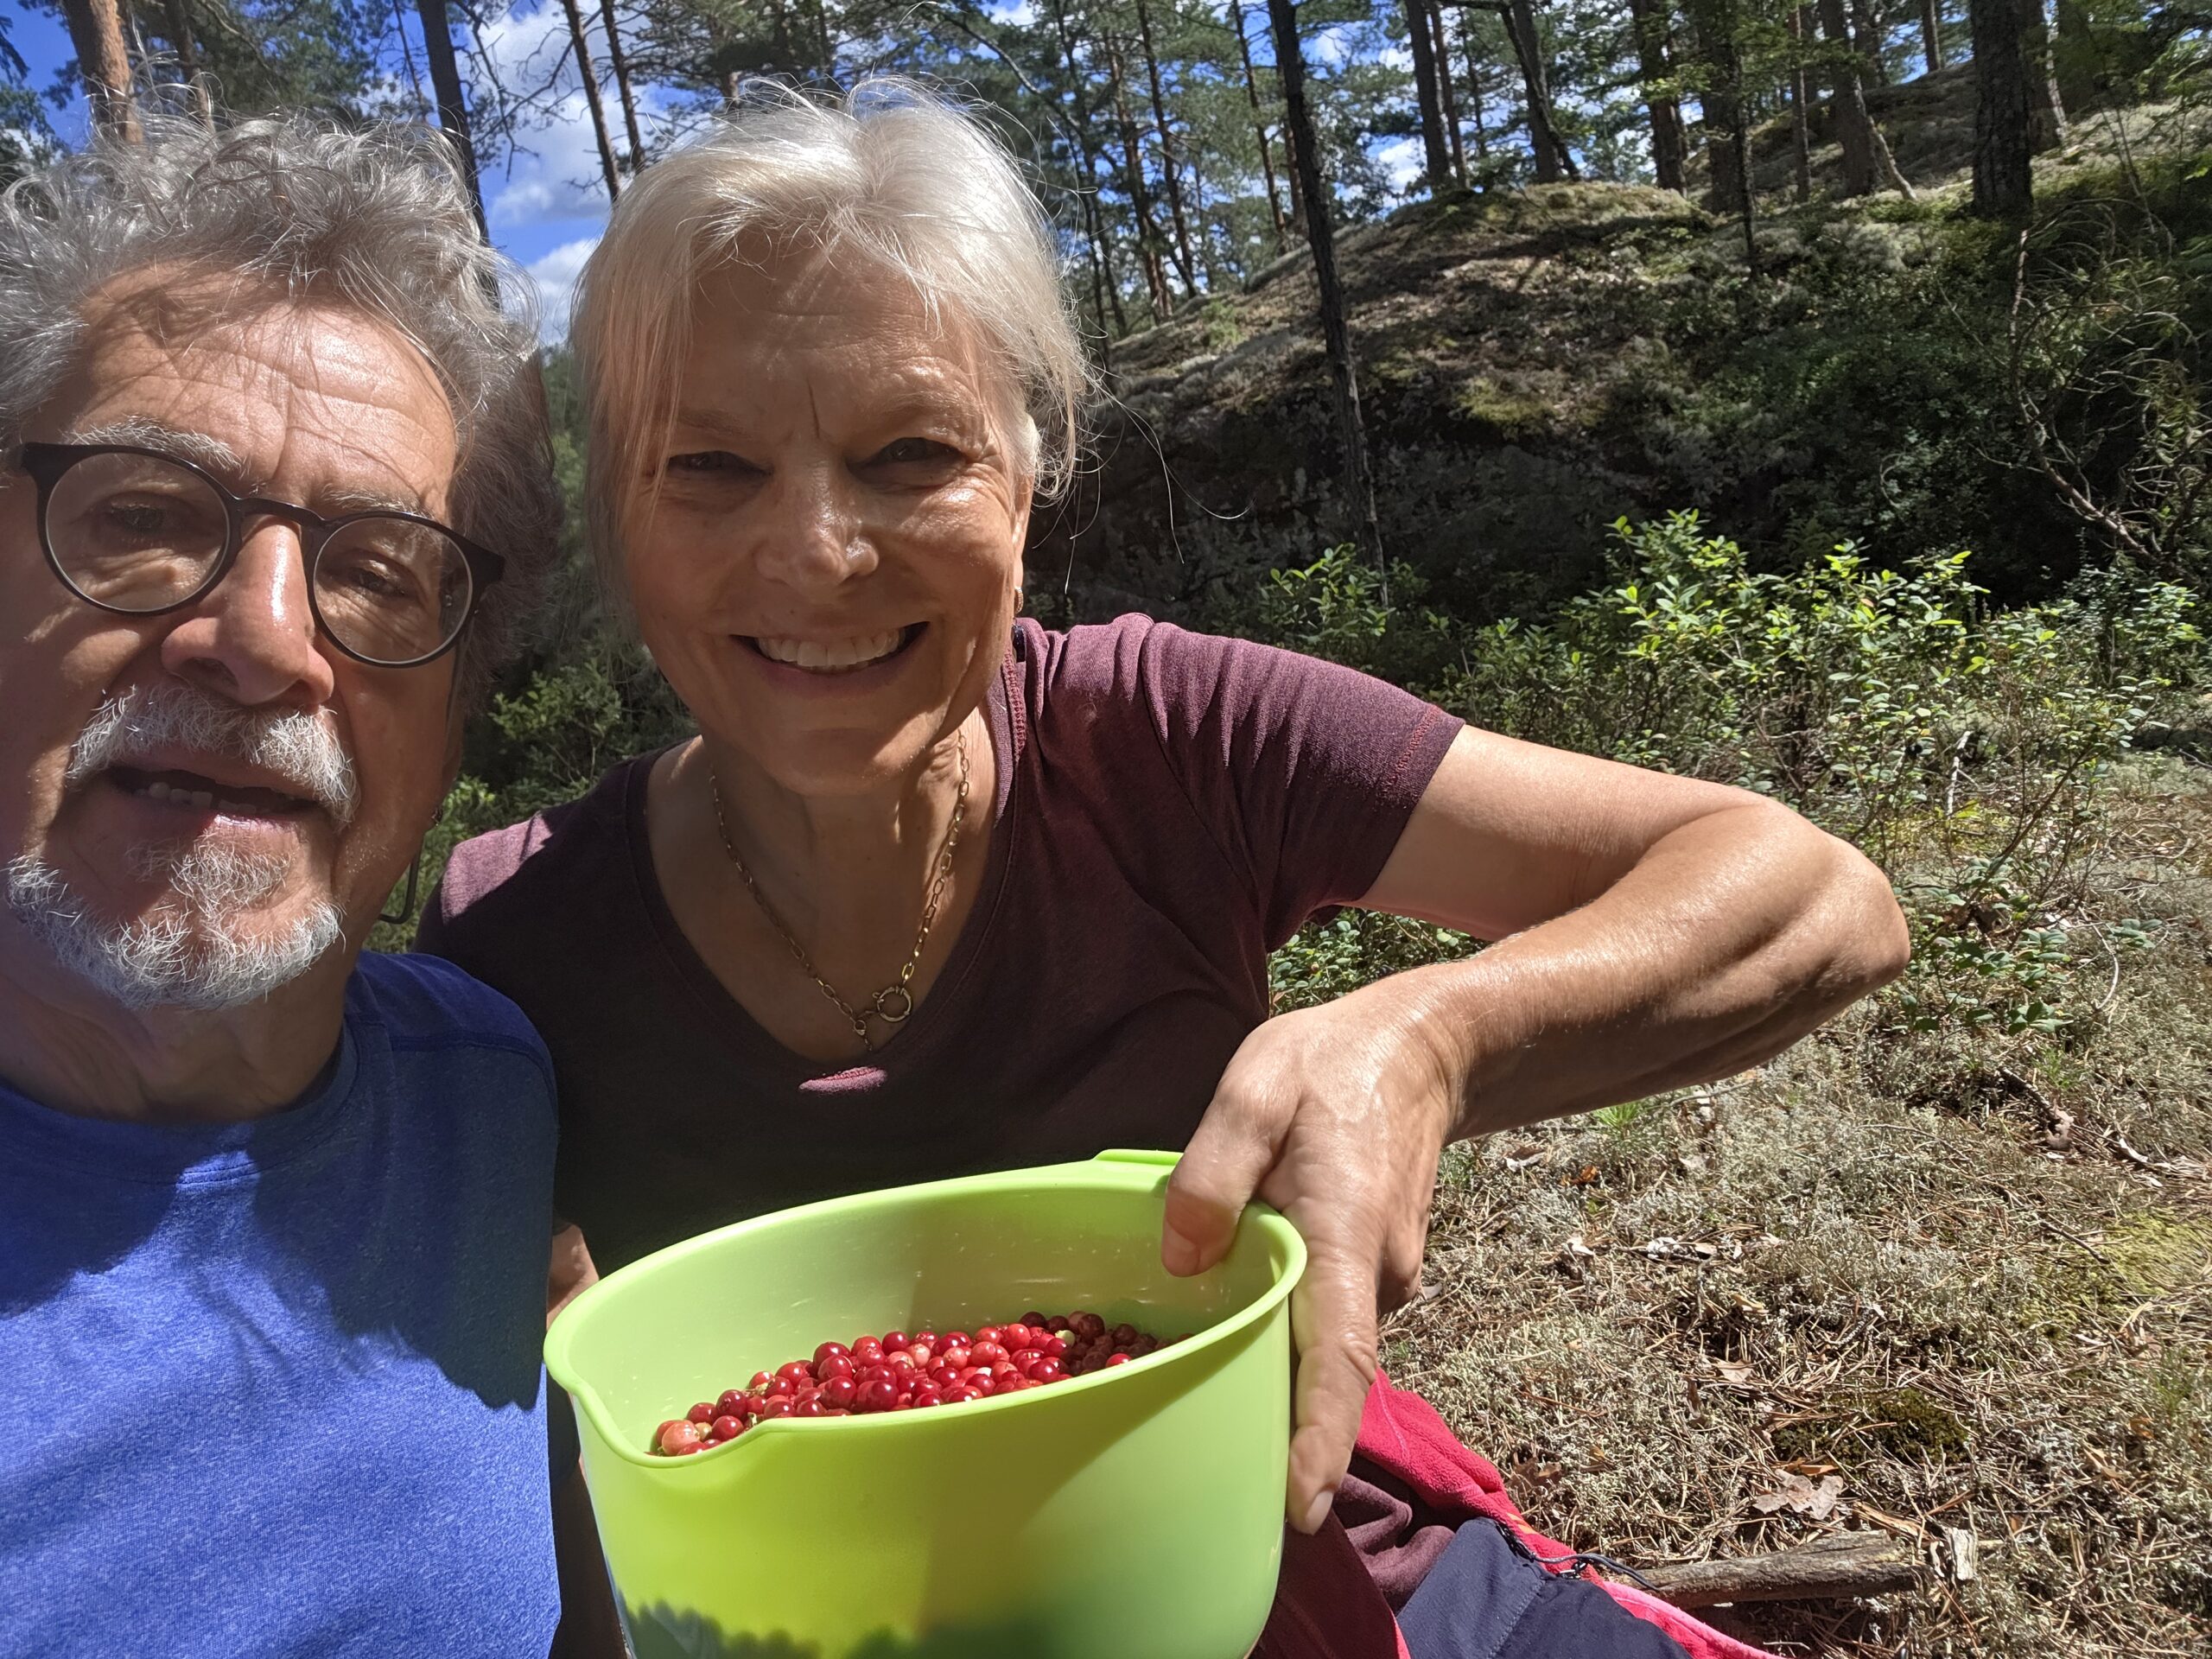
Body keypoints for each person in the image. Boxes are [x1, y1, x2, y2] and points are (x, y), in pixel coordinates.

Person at [418, 81, 1910, 1654]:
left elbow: (1814, 897)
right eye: (710, 467)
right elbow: (550, 1485)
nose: (817, 553)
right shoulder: (516, 935)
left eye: (911, 452)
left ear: (1028, 472)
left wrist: (1429, 1040)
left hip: (1319, 1591)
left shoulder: (1167, 737)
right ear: (616, 517)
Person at [0, 117, 571, 1656]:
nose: (265, 642)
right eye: (141, 515)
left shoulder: (491, 1090)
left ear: (455, 705)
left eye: (379, 568)